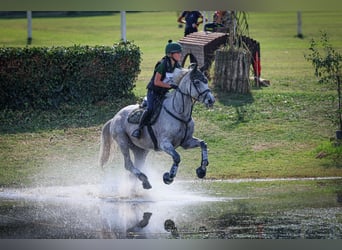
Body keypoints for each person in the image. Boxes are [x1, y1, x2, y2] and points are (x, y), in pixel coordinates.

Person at [131, 40, 182, 139]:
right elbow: (156, 82)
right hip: (153, 92)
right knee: (150, 109)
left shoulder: (177, 66)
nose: (180, 55)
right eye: (178, 53)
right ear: (171, 54)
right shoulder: (162, 65)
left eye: (180, 52)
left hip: (164, 93)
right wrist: (170, 86)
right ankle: (139, 129)